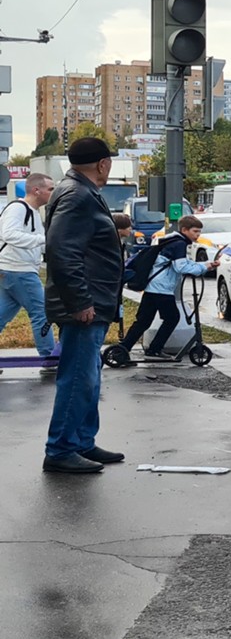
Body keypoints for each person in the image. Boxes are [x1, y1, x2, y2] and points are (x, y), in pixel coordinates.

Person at [41, 138, 125, 473]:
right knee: (78, 377)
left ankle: (81, 441)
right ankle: (60, 449)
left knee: (89, 374)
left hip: (92, 301)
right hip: (83, 305)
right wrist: (80, 302)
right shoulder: (77, 195)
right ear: (103, 163)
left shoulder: (78, 190)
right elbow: (62, 252)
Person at [110, 216, 217, 361]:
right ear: (184, 230)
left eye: (199, 232)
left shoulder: (171, 241)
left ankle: (122, 349)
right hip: (162, 288)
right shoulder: (179, 244)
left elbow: (178, 263)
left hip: (152, 286)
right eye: (195, 231)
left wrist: (203, 265)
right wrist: (205, 266)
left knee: (143, 321)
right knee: (172, 318)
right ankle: (154, 349)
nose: (198, 235)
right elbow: (180, 266)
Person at [0, 172, 57, 358]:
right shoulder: (18, 209)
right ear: (36, 190)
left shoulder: (32, 211)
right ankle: (49, 356)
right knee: (41, 312)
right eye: (51, 189)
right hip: (19, 269)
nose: (53, 192)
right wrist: (44, 240)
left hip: (13, 269)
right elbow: (9, 234)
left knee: (2, 314)